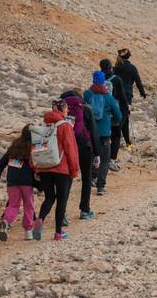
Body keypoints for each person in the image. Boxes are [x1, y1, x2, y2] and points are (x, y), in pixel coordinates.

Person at [32, 98, 79, 241]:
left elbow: (36, 148)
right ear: (62, 109)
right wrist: (74, 170)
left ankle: (40, 219)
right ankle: (58, 232)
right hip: (62, 169)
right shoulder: (65, 126)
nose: (67, 111)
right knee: (61, 200)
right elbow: (70, 149)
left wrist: (36, 168)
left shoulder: (44, 125)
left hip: (45, 167)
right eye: (66, 109)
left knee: (49, 198)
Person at [0, 126, 36, 241]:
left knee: (13, 204)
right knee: (28, 205)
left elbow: (2, 162)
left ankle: (6, 221)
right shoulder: (33, 147)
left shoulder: (14, 145)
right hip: (26, 181)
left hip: (12, 180)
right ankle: (28, 231)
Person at [83, 71, 122, 196]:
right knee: (104, 160)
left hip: (89, 132)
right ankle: (101, 186)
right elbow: (119, 115)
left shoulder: (87, 94)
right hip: (104, 133)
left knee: (91, 157)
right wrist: (111, 121)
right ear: (103, 81)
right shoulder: (108, 97)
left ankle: (91, 179)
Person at [61, 90, 97, 220]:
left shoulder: (61, 110)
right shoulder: (85, 109)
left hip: (67, 149)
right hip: (84, 148)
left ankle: (62, 214)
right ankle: (84, 210)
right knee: (86, 179)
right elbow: (93, 131)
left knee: (67, 180)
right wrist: (97, 153)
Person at [99, 59, 127, 173]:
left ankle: (101, 159)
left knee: (104, 137)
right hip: (115, 112)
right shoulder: (117, 79)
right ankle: (112, 160)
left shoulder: (100, 80)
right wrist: (126, 109)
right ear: (111, 67)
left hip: (102, 113)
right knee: (116, 136)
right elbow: (122, 97)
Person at [114, 49, 146, 148]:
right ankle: (117, 140)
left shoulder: (115, 67)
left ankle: (128, 142)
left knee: (124, 118)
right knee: (124, 118)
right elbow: (138, 81)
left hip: (115, 95)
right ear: (129, 57)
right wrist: (142, 93)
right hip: (127, 96)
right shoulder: (132, 68)